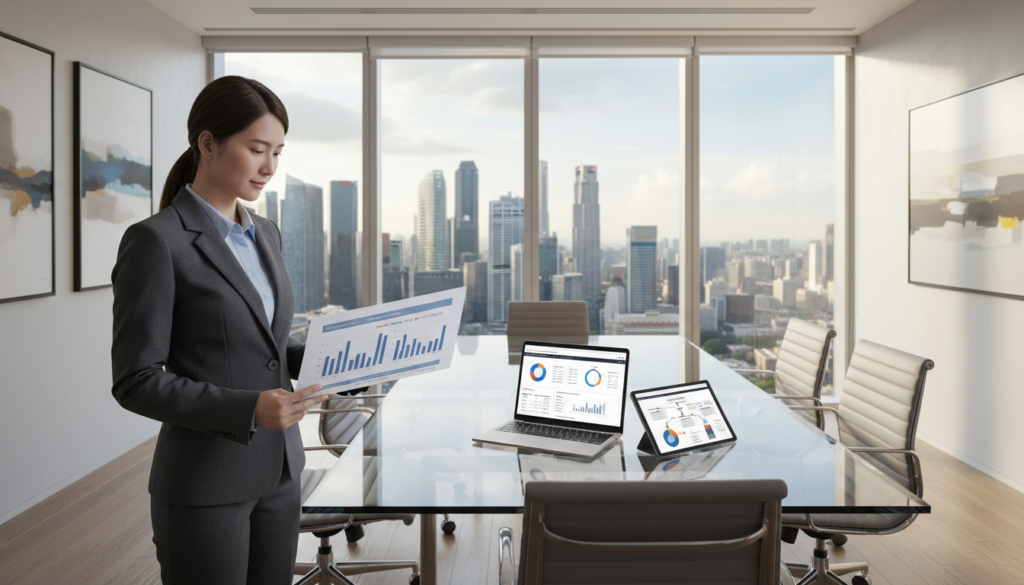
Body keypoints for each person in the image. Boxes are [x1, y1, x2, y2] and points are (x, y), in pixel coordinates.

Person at [111, 75, 332, 585]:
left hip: (279, 471)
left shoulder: (266, 234)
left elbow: (267, 346)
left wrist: (339, 356)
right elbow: (136, 379)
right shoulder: (157, 241)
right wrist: (247, 407)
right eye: (257, 149)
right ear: (208, 143)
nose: (269, 167)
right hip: (205, 481)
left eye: (277, 151)